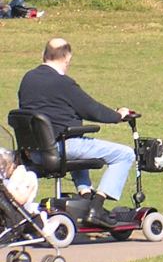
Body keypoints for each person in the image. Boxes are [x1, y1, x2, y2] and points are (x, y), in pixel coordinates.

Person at [16, 38, 136, 225]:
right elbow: (91, 109)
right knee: (125, 154)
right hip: (59, 146)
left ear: (44, 55)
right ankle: (96, 208)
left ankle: (85, 196)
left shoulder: (28, 79)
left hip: (34, 151)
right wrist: (118, 115)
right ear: (66, 57)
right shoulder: (63, 83)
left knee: (79, 143)